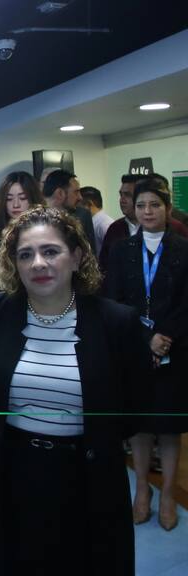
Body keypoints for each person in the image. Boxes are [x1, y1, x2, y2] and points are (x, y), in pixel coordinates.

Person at [0, 206, 148, 576]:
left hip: (86, 474)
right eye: (25, 255)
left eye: (51, 251)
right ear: (14, 264)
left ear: (76, 257)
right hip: (10, 469)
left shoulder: (115, 322)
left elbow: (135, 403)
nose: (38, 263)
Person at [105, 177, 188, 532]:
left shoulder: (184, 249)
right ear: (133, 210)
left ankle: (168, 493)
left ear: (167, 208)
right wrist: (146, 338)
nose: (147, 211)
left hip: (177, 347)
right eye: (141, 206)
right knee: (138, 426)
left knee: (169, 428)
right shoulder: (122, 249)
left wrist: (165, 335)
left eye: (154, 205)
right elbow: (114, 301)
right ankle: (142, 491)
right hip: (134, 347)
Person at [99, 174, 188, 273]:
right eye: (121, 195)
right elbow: (105, 268)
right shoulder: (115, 230)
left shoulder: (177, 229)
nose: (122, 200)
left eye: (128, 195)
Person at [0, 171, 44, 294]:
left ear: (33, 198)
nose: (15, 204)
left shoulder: (47, 231)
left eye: (22, 198)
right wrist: (2, 277)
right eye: (9, 199)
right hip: (2, 304)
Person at [42, 169, 97, 255]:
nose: (80, 198)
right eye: (76, 192)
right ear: (60, 193)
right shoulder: (33, 219)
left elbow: (91, 256)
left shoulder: (82, 216)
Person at [79, 185, 114, 258]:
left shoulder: (105, 224)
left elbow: (114, 255)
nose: (76, 209)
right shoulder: (93, 222)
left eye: (78, 205)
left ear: (88, 204)